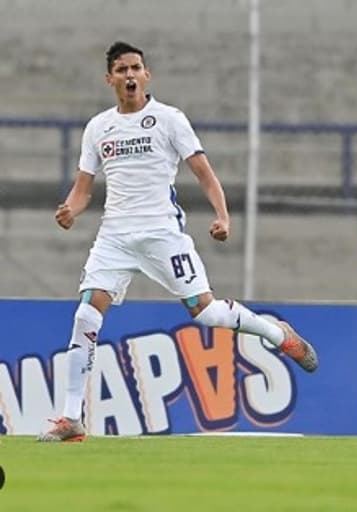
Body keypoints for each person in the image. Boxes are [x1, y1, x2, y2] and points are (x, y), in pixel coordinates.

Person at [38, 41, 318, 442]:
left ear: (147, 74)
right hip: (114, 237)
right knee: (85, 316)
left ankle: (277, 334)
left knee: (206, 313)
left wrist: (222, 214)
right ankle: (71, 419)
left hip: (162, 234)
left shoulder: (169, 120)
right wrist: (70, 209)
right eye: (121, 70)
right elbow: (83, 188)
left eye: (136, 67)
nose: (130, 75)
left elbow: (204, 173)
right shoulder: (98, 127)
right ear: (109, 79)